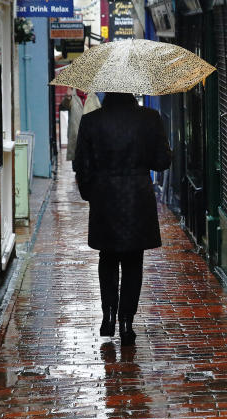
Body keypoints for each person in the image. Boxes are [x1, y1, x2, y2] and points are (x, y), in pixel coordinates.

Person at [72, 92, 172, 345]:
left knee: (106, 257)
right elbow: (161, 162)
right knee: (133, 260)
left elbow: (81, 164)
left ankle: (108, 316)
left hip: (104, 195)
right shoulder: (150, 118)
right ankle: (127, 322)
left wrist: (90, 193)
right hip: (137, 196)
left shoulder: (92, 120)